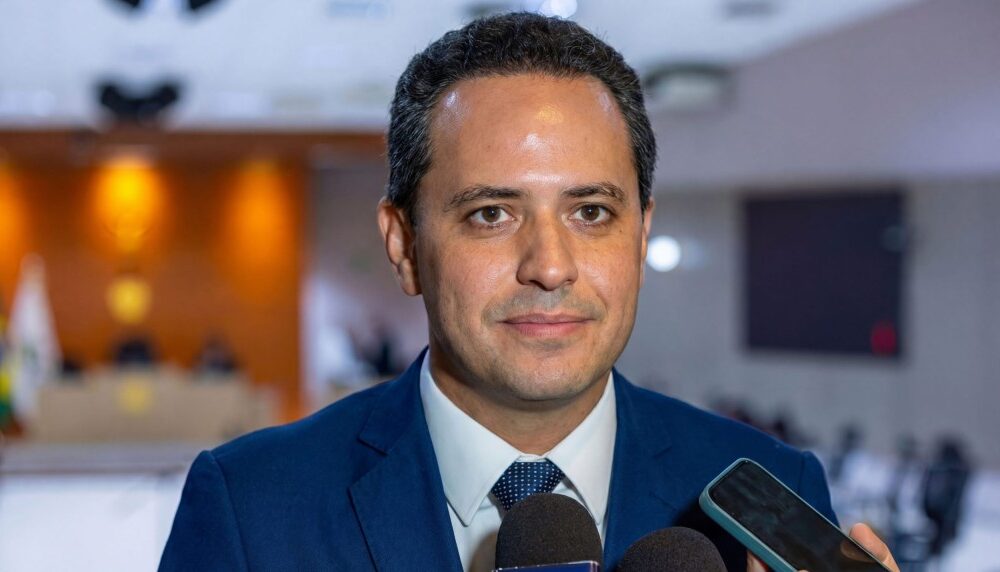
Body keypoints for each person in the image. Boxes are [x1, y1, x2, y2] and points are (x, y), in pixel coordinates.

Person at [160, 13, 900, 572]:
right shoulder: (250, 507)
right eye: (491, 214)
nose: (550, 267)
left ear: (641, 237)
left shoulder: (772, 490)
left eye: (591, 212)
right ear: (405, 245)